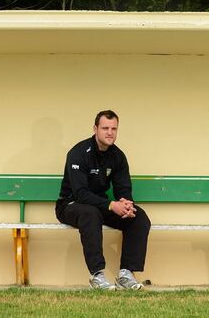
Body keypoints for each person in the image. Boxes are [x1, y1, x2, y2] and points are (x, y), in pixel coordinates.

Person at [55, 110, 151, 290]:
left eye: (114, 129)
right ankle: (97, 276)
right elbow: (80, 193)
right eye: (105, 128)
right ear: (95, 129)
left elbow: (123, 188)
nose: (110, 133)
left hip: (100, 205)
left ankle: (126, 274)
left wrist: (126, 204)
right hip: (70, 205)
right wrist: (111, 205)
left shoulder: (118, 156)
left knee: (138, 217)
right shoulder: (78, 153)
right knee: (90, 214)